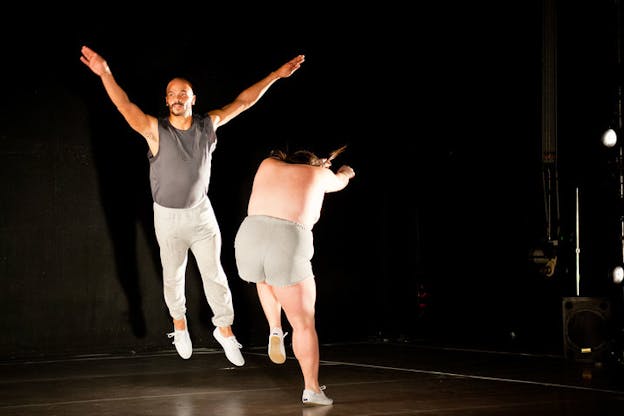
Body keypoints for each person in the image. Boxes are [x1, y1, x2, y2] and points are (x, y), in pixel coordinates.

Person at [80, 45, 305, 366]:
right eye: (171, 93)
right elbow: (124, 105)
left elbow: (243, 102)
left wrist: (275, 76)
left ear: (193, 98)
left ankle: (224, 330)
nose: (176, 97)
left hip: (201, 214)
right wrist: (105, 73)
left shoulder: (208, 126)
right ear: (166, 99)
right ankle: (179, 325)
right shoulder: (155, 130)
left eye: (183, 93)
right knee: (173, 276)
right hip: (168, 217)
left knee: (215, 274)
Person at [234, 145, 355, 405]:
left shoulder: (268, 164)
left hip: (249, 236)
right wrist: (342, 171)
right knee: (303, 323)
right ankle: (311, 389)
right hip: (287, 239)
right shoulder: (320, 175)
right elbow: (340, 181)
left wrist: (315, 166)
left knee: (264, 276)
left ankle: (275, 329)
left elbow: (298, 171)